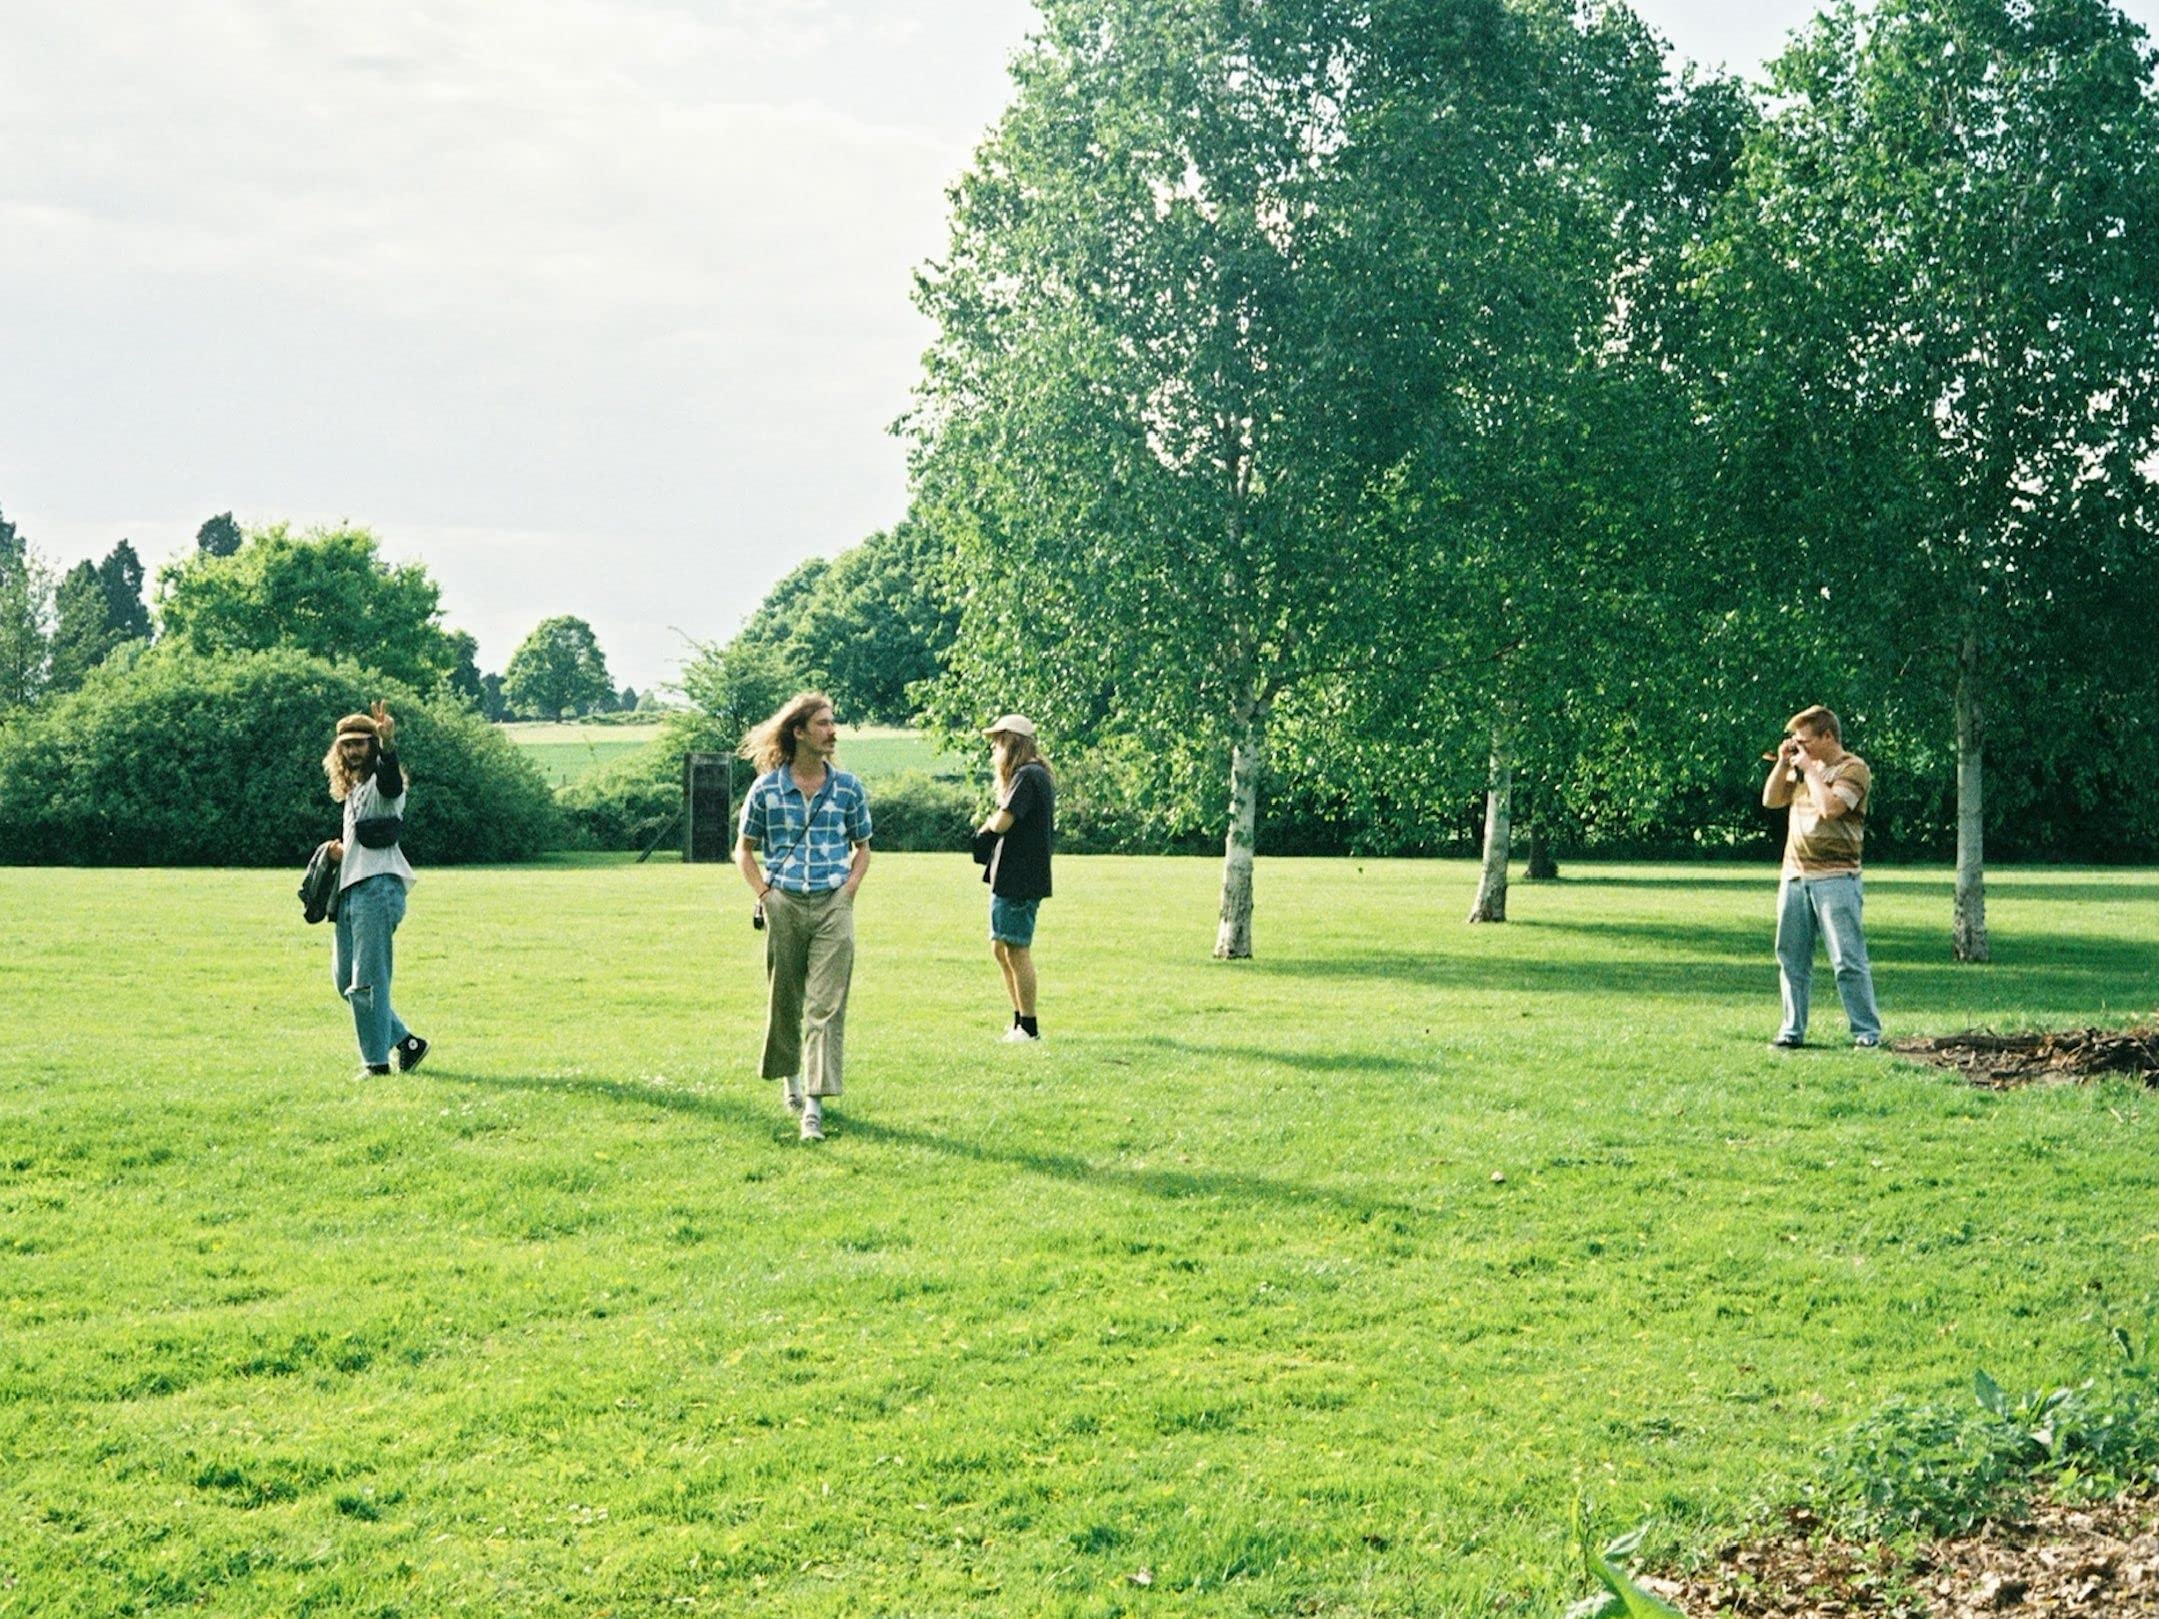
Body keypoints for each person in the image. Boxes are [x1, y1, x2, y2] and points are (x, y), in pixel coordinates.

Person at [735, 693, 873, 1142]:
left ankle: (813, 1107)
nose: (833, 732)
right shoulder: (767, 789)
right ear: (798, 732)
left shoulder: (849, 788)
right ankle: (789, 1081)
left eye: (833, 723)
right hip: (785, 903)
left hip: (834, 903)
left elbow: (863, 848)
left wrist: (848, 892)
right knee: (786, 1000)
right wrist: (765, 894)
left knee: (825, 1006)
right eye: (823, 724)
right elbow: (745, 850)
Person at [1762, 704, 1882, 1050]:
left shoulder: (1854, 769)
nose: (1800, 747)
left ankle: (1866, 1031)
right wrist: (1786, 764)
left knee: (1847, 959)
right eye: (1795, 741)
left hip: (1836, 878)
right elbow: (1771, 800)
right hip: (1795, 876)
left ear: (1827, 736)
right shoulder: (1800, 767)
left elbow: (1831, 809)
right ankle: (1791, 1030)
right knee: (1791, 959)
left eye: (1805, 740)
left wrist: (1810, 772)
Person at [322, 702, 427, 1078]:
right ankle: (406, 1042)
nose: (353, 751)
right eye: (346, 744)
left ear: (372, 745)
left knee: (367, 983)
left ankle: (376, 1065)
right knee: (345, 983)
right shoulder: (352, 792)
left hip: (378, 890)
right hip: (349, 894)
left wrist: (388, 744)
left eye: (361, 743)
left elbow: (391, 780)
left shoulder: (384, 784)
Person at [975, 715, 1055, 1043]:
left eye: (998, 741)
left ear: (1012, 742)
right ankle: (1019, 1021)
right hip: (1011, 875)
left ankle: (1029, 1026)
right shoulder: (1034, 774)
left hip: (1021, 876)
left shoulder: (1028, 775)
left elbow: (1005, 820)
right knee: (1001, 947)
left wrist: (984, 828)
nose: (994, 748)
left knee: (1017, 949)